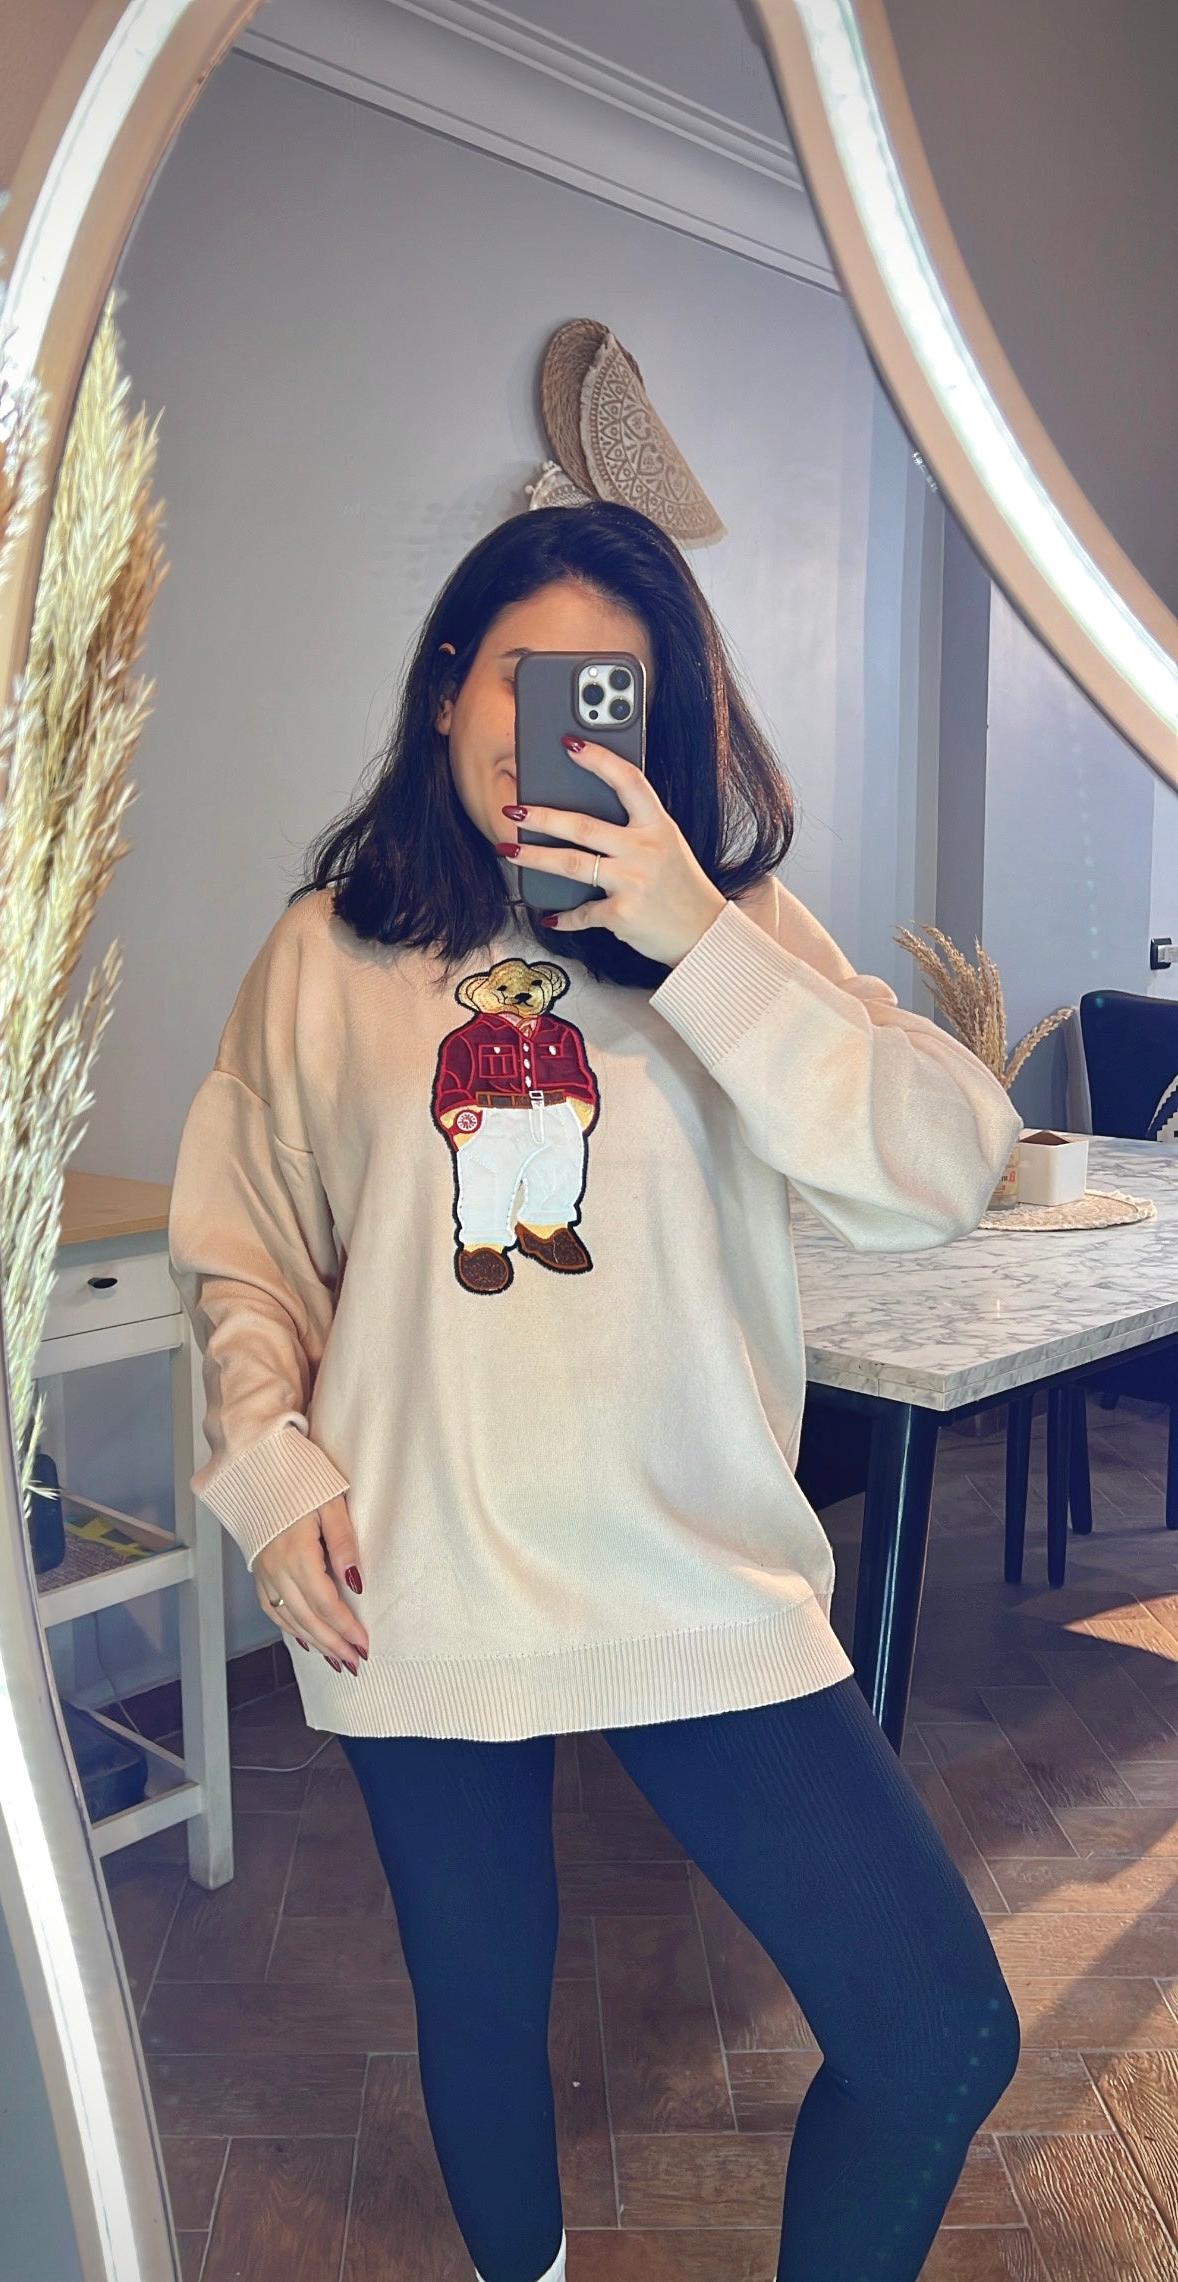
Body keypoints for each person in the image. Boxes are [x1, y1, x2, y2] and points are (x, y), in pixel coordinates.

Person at [168, 502, 1023, 2282]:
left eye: (605, 695)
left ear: (657, 727)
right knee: (481, 2013)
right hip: (419, 1578)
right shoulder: (327, 952)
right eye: (521, 678)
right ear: (445, 690)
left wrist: (697, 928)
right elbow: (243, 1252)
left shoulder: (739, 930)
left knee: (940, 2033)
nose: (549, 730)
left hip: (694, 1572)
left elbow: (945, 1163)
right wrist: (268, 1470)